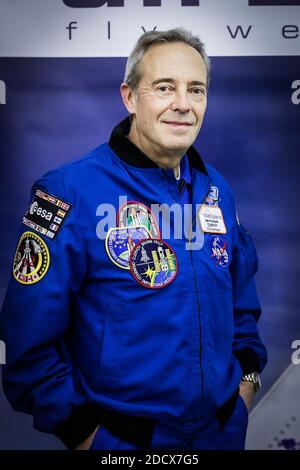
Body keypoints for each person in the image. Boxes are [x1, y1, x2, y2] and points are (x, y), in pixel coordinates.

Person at [0, 28, 267, 451]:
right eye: (164, 88)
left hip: (222, 434)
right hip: (122, 444)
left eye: (196, 90)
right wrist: (86, 435)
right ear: (130, 97)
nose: (183, 104)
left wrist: (244, 390)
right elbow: (27, 344)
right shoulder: (68, 192)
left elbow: (241, 308)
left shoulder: (217, 190)